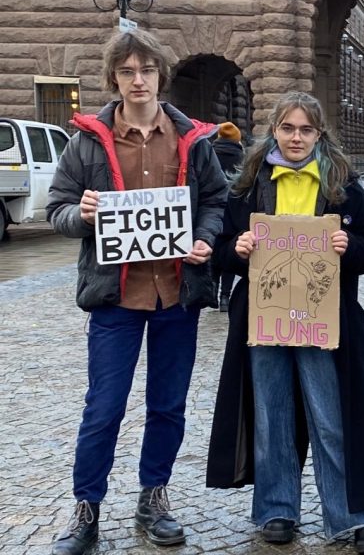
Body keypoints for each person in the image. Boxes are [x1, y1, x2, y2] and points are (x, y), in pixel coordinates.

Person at [45, 28, 228, 555]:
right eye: (127, 71)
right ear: (114, 79)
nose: (138, 80)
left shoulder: (191, 139)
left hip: (177, 292)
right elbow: (56, 209)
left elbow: (214, 200)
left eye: (146, 70)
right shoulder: (87, 142)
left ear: (160, 76)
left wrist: (204, 237)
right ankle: (86, 509)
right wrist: (79, 217)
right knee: (104, 406)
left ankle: (154, 497)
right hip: (115, 297)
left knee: (168, 405)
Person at [205, 91, 364, 553]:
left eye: (306, 129)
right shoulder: (247, 185)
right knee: (271, 415)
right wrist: (237, 250)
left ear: (319, 135)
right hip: (265, 320)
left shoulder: (342, 185)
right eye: (288, 128)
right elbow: (222, 249)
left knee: (331, 416)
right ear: (274, 131)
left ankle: (350, 514)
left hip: (324, 320)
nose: (296, 137)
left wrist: (351, 248)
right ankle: (276, 508)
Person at [212, 122, 244, 310]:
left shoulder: (210, 153)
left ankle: (213, 290)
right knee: (230, 248)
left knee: (216, 250)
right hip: (232, 209)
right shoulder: (241, 157)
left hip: (213, 209)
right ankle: (225, 296)